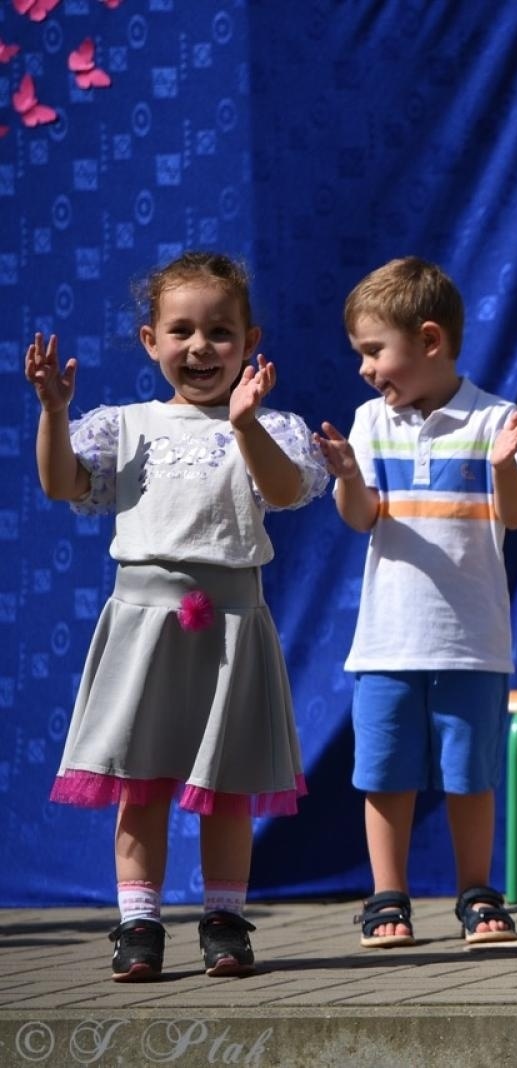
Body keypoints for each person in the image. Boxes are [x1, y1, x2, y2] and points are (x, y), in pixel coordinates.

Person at [27, 251, 329, 981]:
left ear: (250, 341)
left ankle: (224, 920)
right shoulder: (122, 425)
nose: (201, 347)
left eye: (220, 332)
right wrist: (54, 412)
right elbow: (62, 483)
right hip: (144, 627)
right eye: (182, 331)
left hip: (230, 625)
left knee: (225, 785)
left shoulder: (271, 427)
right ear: (150, 341)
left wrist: (246, 425)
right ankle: (139, 925)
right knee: (141, 782)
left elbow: (286, 491)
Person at [315, 257, 517, 949]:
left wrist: (503, 468)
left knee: (471, 775)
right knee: (385, 775)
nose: (364, 368)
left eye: (374, 351)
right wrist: (350, 477)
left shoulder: (495, 418)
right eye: (360, 353)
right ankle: (389, 898)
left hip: (472, 641)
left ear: (431, 340)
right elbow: (361, 518)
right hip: (387, 641)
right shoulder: (368, 422)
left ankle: (478, 894)